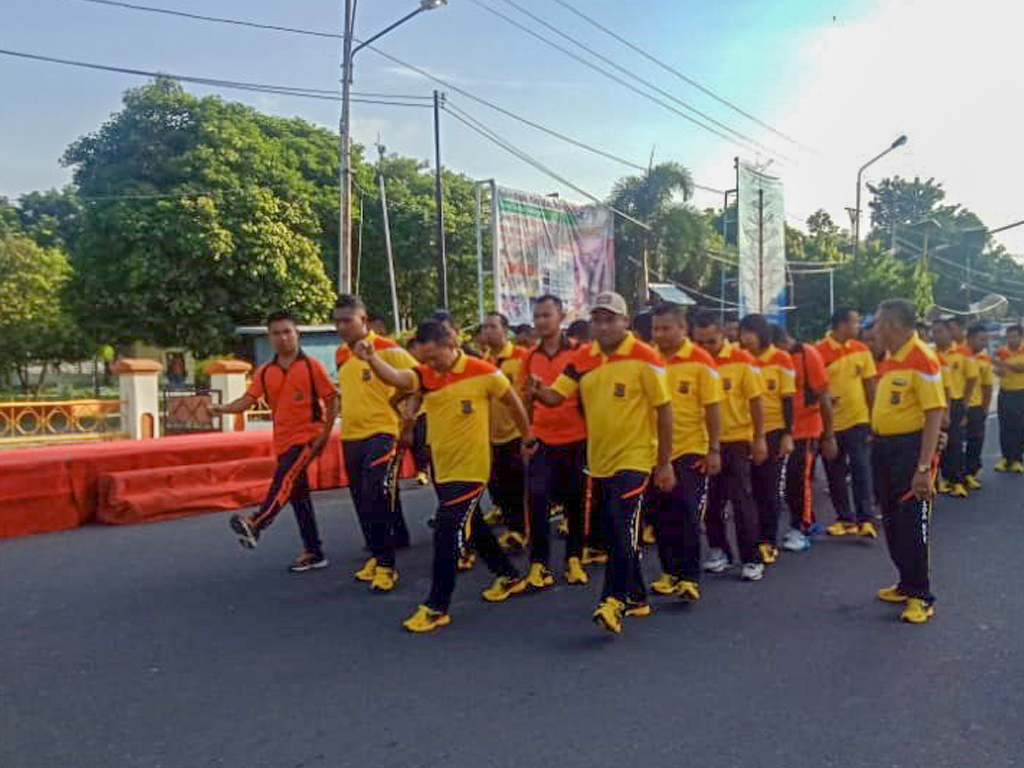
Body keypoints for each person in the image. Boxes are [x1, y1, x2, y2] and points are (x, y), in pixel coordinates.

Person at [355, 320, 535, 633]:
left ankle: (437, 606)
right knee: (474, 525)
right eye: (424, 359)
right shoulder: (425, 375)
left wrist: (526, 437)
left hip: (472, 469)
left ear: (452, 346)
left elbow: (513, 402)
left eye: (434, 357)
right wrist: (372, 358)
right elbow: (397, 377)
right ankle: (507, 575)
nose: (430, 364)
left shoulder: (483, 372)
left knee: (447, 531)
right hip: (443, 467)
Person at [529, 291, 675, 634]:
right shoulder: (582, 358)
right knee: (615, 528)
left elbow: (664, 410)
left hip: (636, 457)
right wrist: (538, 390)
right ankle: (637, 596)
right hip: (599, 459)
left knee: (621, 525)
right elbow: (555, 396)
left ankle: (612, 600)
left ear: (625, 321)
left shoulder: (645, 355)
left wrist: (664, 462)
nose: (604, 326)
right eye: (598, 319)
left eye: (611, 319)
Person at [212, 311, 338, 572]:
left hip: (307, 437)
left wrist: (324, 435)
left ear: (296, 335)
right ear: (269, 337)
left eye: (287, 332)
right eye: (276, 333)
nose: (282, 338)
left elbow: (332, 399)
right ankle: (315, 551)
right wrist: (222, 409)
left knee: (284, 480)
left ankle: (256, 523)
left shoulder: (312, 366)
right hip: (282, 440)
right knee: (298, 496)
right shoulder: (265, 371)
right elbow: (247, 400)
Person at [333, 294, 417, 591]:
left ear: (363, 320)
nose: (342, 327)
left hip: (382, 432)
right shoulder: (341, 354)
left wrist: (406, 418)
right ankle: (378, 553)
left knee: (375, 495)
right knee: (359, 499)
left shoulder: (388, 349)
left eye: (348, 320)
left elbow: (419, 379)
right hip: (350, 435)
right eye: (338, 321)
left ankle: (387, 566)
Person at [871, 299, 946, 624]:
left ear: (893, 326)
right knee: (891, 518)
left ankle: (921, 596)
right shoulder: (891, 359)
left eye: (877, 324)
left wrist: (924, 467)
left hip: (910, 450)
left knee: (913, 522)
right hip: (884, 449)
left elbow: (934, 414)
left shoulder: (923, 359)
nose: (874, 331)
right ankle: (905, 582)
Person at [649, 303, 722, 601]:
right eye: (656, 329)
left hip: (690, 449)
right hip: (652, 451)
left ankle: (690, 576)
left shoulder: (701, 360)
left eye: (666, 328)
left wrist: (714, 449)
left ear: (683, 328)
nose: (660, 334)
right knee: (659, 514)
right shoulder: (648, 358)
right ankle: (669, 572)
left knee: (687, 512)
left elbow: (713, 408)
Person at [690, 311, 768, 581]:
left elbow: (757, 402)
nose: (706, 348)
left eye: (711, 341)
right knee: (711, 500)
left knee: (741, 500)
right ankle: (718, 550)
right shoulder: (691, 361)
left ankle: (751, 558)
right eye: (700, 342)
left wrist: (759, 438)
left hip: (735, 440)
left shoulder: (742, 360)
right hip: (700, 441)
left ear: (723, 335)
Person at [519, 294, 591, 588]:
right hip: (542, 439)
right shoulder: (529, 357)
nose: (541, 321)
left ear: (561, 316)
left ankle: (574, 558)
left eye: (547, 315)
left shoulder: (580, 353)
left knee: (575, 501)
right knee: (537, 499)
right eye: (537, 316)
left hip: (577, 438)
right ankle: (539, 564)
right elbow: (525, 400)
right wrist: (526, 435)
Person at [815, 308, 878, 537]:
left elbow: (871, 386)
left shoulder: (862, 349)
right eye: (855, 322)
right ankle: (844, 518)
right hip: (830, 424)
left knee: (862, 468)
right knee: (835, 472)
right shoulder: (819, 352)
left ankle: (866, 519)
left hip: (859, 420)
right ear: (841, 325)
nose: (858, 326)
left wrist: (874, 419)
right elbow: (812, 389)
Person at [739, 315, 796, 564]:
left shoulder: (781, 358)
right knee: (746, 492)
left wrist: (787, 434)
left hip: (773, 431)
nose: (745, 338)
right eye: (743, 333)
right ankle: (750, 542)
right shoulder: (740, 357)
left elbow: (788, 400)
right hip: (743, 433)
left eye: (750, 332)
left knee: (768, 489)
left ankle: (768, 541)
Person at [777, 326, 837, 551]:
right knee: (786, 481)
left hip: (807, 427)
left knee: (799, 477)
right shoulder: (770, 358)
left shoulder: (807, 355)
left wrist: (828, 434)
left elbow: (824, 397)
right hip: (781, 429)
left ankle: (800, 527)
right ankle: (802, 518)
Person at [479, 311, 530, 550]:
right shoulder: (484, 361)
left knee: (518, 486)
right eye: (485, 327)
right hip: (491, 434)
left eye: (492, 326)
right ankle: (512, 527)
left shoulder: (522, 357)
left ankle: (522, 530)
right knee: (501, 486)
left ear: (505, 330)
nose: (487, 331)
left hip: (516, 433)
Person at [931, 319, 977, 498]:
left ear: (950, 332)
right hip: (936, 403)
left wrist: (964, 403)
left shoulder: (963, 352)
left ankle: (957, 480)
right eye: (934, 332)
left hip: (956, 402)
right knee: (937, 443)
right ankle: (940, 479)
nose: (936, 336)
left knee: (955, 442)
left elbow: (972, 378)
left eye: (940, 331)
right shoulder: (932, 354)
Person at [964, 322, 995, 489]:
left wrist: (984, 410)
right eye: (981, 339)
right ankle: (952, 476)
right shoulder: (957, 355)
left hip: (975, 408)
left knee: (975, 441)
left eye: (986, 340)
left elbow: (988, 387)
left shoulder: (984, 359)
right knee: (954, 445)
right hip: (957, 407)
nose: (984, 344)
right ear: (969, 338)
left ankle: (971, 472)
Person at [994, 324, 1024, 473]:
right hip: (1004, 392)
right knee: (1004, 426)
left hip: (1020, 393)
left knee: (1018, 426)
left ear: (1021, 336)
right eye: (1009, 336)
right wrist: (998, 369)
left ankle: (1017, 459)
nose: (1011, 339)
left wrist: (1004, 364)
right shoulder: (1002, 351)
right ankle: (1005, 458)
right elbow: (998, 371)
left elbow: (1021, 369)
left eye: (1014, 336)